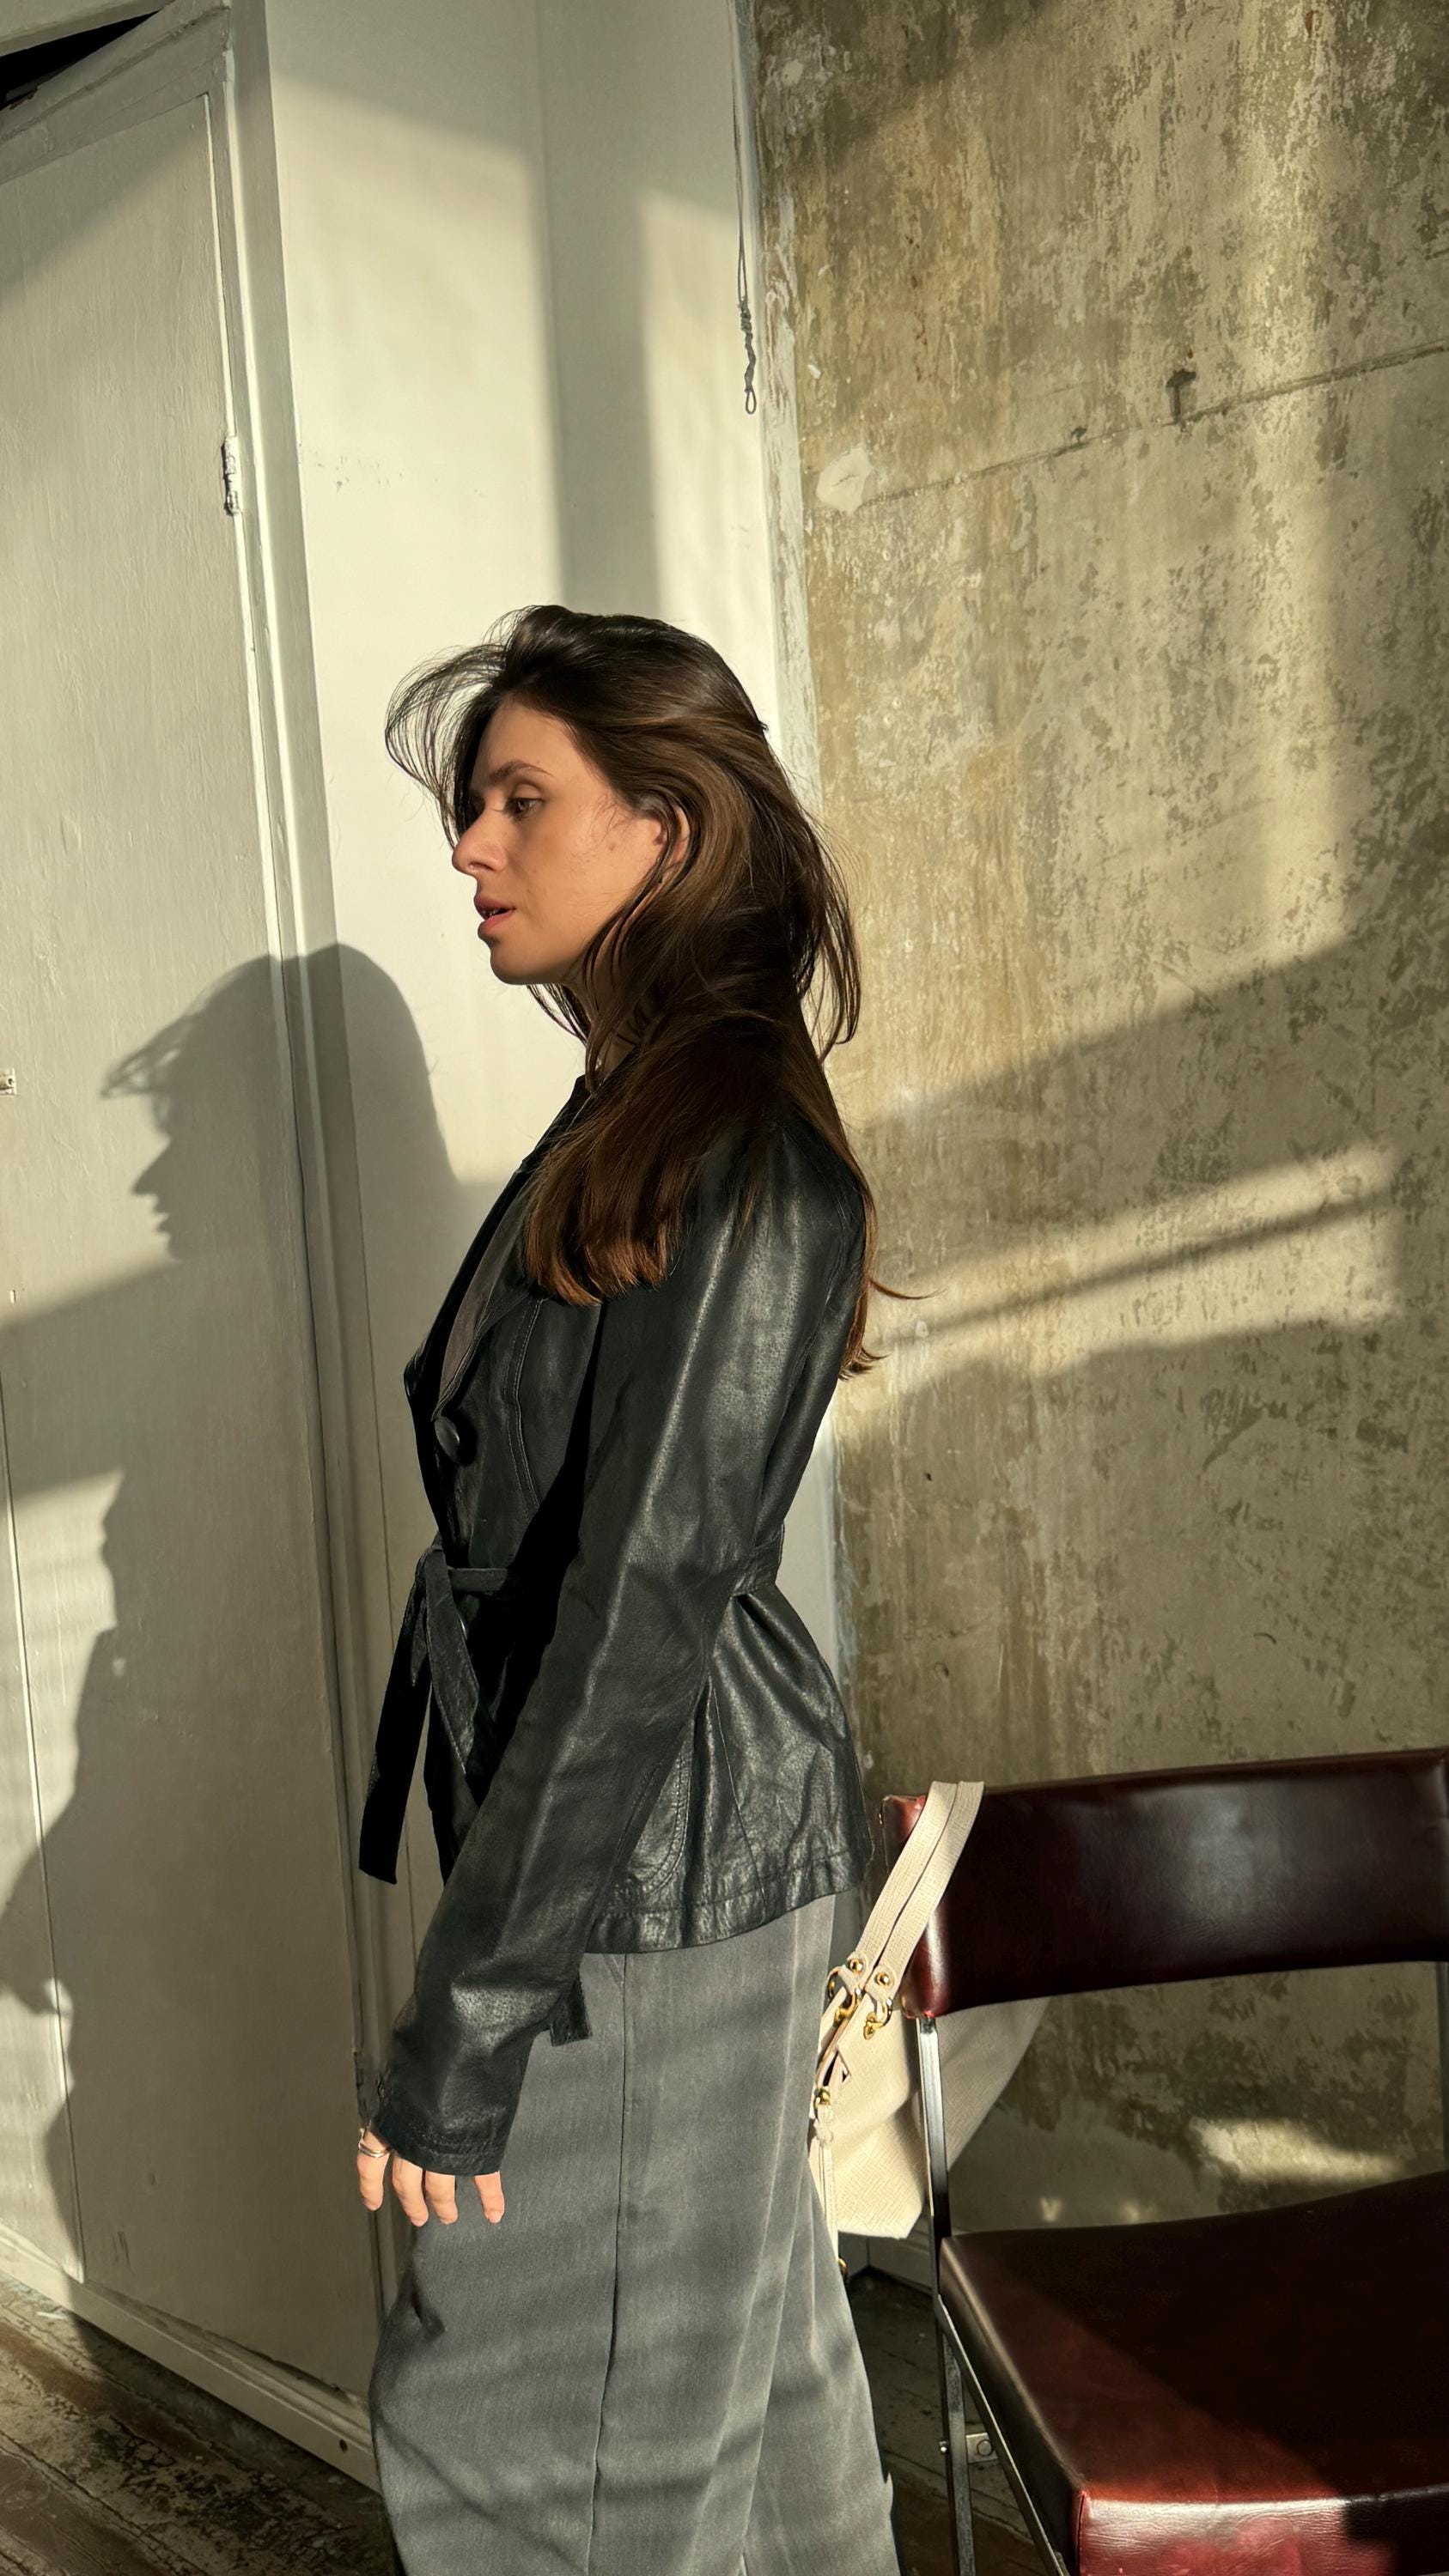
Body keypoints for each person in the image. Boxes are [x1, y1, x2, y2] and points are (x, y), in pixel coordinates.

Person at [353, 604, 906, 2575]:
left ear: (663, 829)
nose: (468, 849)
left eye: (520, 800)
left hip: (642, 1900)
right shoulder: (646, 1119)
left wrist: (466, 2031)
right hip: (651, 1870)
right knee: (739, 2421)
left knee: (522, 2456)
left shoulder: (742, 1156)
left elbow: (639, 1615)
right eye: (470, 804)